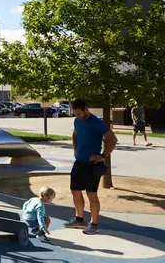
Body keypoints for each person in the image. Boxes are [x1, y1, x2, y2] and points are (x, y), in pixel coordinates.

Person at [64, 99, 118, 235]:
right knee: (75, 190)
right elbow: (75, 134)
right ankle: (79, 219)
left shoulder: (97, 122)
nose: (77, 116)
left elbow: (112, 139)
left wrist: (103, 155)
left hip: (93, 164)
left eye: (79, 113)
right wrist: (75, 149)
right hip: (79, 163)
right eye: (75, 113)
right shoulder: (77, 121)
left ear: (85, 109)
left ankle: (93, 223)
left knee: (91, 194)